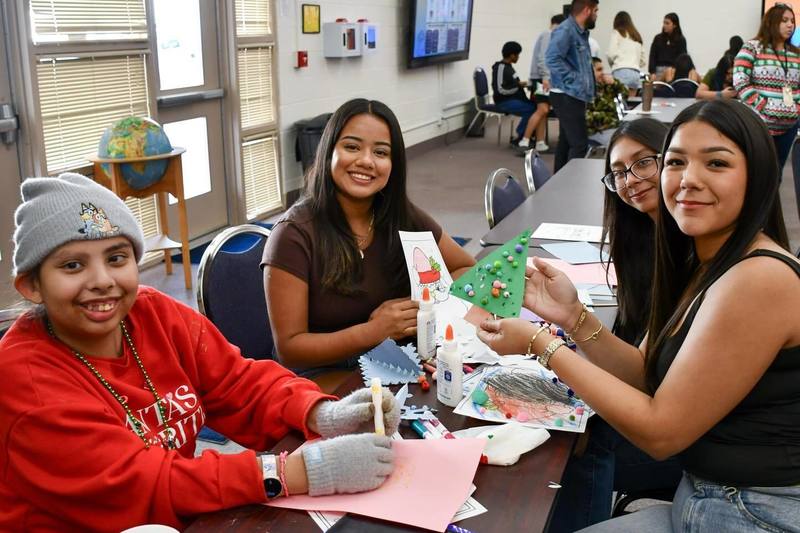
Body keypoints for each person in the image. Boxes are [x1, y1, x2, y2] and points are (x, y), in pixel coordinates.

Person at [0, 173, 403, 531]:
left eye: (117, 258)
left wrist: (320, 412)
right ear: (32, 286)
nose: (102, 281)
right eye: (72, 266)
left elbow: (238, 382)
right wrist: (296, 471)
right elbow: (141, 484)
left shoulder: (152, 312)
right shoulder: (26, 381)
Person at [478, 98, 800, 531]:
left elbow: (661, 432)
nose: (688, 180)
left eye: (717, 163)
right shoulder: (704, 259)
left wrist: (542, 344)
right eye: (676, 162)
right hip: (706, 492)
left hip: (749, 511)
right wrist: (572, 316)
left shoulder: (759, 277)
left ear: (758, 176)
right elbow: (646, 373)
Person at [262, 99, 475, 376]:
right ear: (329, 152)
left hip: (396, 359)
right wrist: (375, 331)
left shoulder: (404, 217)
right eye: (351, 147)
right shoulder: (293, 235)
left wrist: (423, 303)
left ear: (393, 164)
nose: (366, 161)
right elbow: (289, 348)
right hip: (324, 374)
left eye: (381, 152)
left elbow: (466, 269)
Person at [548, 118, 682, 531]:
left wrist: (549, 343)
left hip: (700, 450)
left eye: (644, 163)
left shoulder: (692, 249)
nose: (631, 180)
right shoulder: (645, 237)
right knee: (576, 420)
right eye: (619, 172)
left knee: (581, 437)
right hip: (678, 422)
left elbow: (648, 382)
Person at [734, 3, 800, 173]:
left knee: (776, 174)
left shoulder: (796, 53)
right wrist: (763, 106)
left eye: (792, 21)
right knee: (758, 173)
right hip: (759, 124)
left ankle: (772, 201)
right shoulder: (752, 47)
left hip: (788, 125)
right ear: (771, 22)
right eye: (785, 20)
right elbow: (740, 81)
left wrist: (797, 108)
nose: (790, 25)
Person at [546, 0, 600, 171]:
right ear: (586, 10)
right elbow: (552, 59)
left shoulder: (580, 33)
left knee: (566, 142)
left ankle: (557, 183)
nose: (597, 15)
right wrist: (574, 79)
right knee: (579, 144)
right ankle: (570, 184)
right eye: (596, 11)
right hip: (566, 95)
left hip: (572, 94)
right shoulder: (566, 30)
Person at [528, 14, 566, 153]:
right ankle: (525, 140)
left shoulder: (549, 35)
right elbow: (543, 58)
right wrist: (545, 77)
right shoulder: (548, 34)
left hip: (544, 78)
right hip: (542, 79)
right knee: (542, 110)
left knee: (543, 111)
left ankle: (540, 141)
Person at [491, 41, 538, 152]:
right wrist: (518, 86)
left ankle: (528, 135)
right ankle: (521, 136)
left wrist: (521, 84)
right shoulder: (500, 68)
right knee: (531, 109)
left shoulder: (509, 67)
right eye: (517, 55)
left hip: (513, 99)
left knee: (536, 107)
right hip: (504, 101)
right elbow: (500, 89)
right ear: (512, 55)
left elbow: (512, 84)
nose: (518, 57)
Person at [607, 11, 646, 96]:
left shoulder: (616, 32)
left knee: (620, 103)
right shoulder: (636, 36)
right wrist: (634, 63)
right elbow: (643, 60)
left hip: (620, 71)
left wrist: (614, 64)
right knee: (631, 104)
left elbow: (610, 54)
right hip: (635, 74)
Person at [586, 57, 628, 135]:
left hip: (615, 127)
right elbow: (588, 117)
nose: (603, 73)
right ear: (589, 72)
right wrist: (613, 121)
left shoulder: (606, 85)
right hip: (598, 131)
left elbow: (625, 95)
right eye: (599, 70)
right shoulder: (586, 90)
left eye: (602, 69)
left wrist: (615, 83)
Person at [648, 13, 688, 80]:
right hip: (658, 70)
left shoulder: (681, 40)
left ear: (675, 25)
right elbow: (652, 56)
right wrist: (652, 72)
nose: (664, 25)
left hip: (673, 71)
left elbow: (682, 59)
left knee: (669, 72)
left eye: (667, 23)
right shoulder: (658, 38)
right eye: (664, 23)